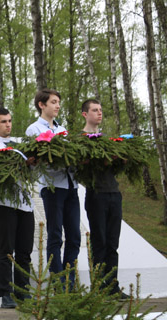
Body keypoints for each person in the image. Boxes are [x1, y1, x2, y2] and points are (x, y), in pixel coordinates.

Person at [25, 89, 80, 285]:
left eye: (58, 102)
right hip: (52, 187)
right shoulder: (33, 130)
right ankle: (58, 283)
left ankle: (70, 281)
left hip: (71, 186)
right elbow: (37, 158)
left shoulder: (62, 129)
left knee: (74, 236)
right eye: (53, 102)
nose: (57, 106)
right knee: (55, 236)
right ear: (42, 104)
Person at [0, 108, 34, 309]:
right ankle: (6, 294)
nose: (8, 125)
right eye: (3, 121)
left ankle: (23, 291)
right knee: (6, 251)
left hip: (24, 204)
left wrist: (31, 162)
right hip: (3, 203)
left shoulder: (20, 145)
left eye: (10, 121)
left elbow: (31, 172)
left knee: (24, 251)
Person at [81, 99, 128, 298]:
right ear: (85, 114)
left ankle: (113, 287)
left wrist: (120, 159)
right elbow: (80, 167)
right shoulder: (81, 139)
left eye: (101, 110)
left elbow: (116, 168)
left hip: (114, 194)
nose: (99, 113)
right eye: (94, 110)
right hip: (96, 194)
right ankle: (99, 287)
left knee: (113, 243)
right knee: (99, 242)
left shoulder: (108, 140)